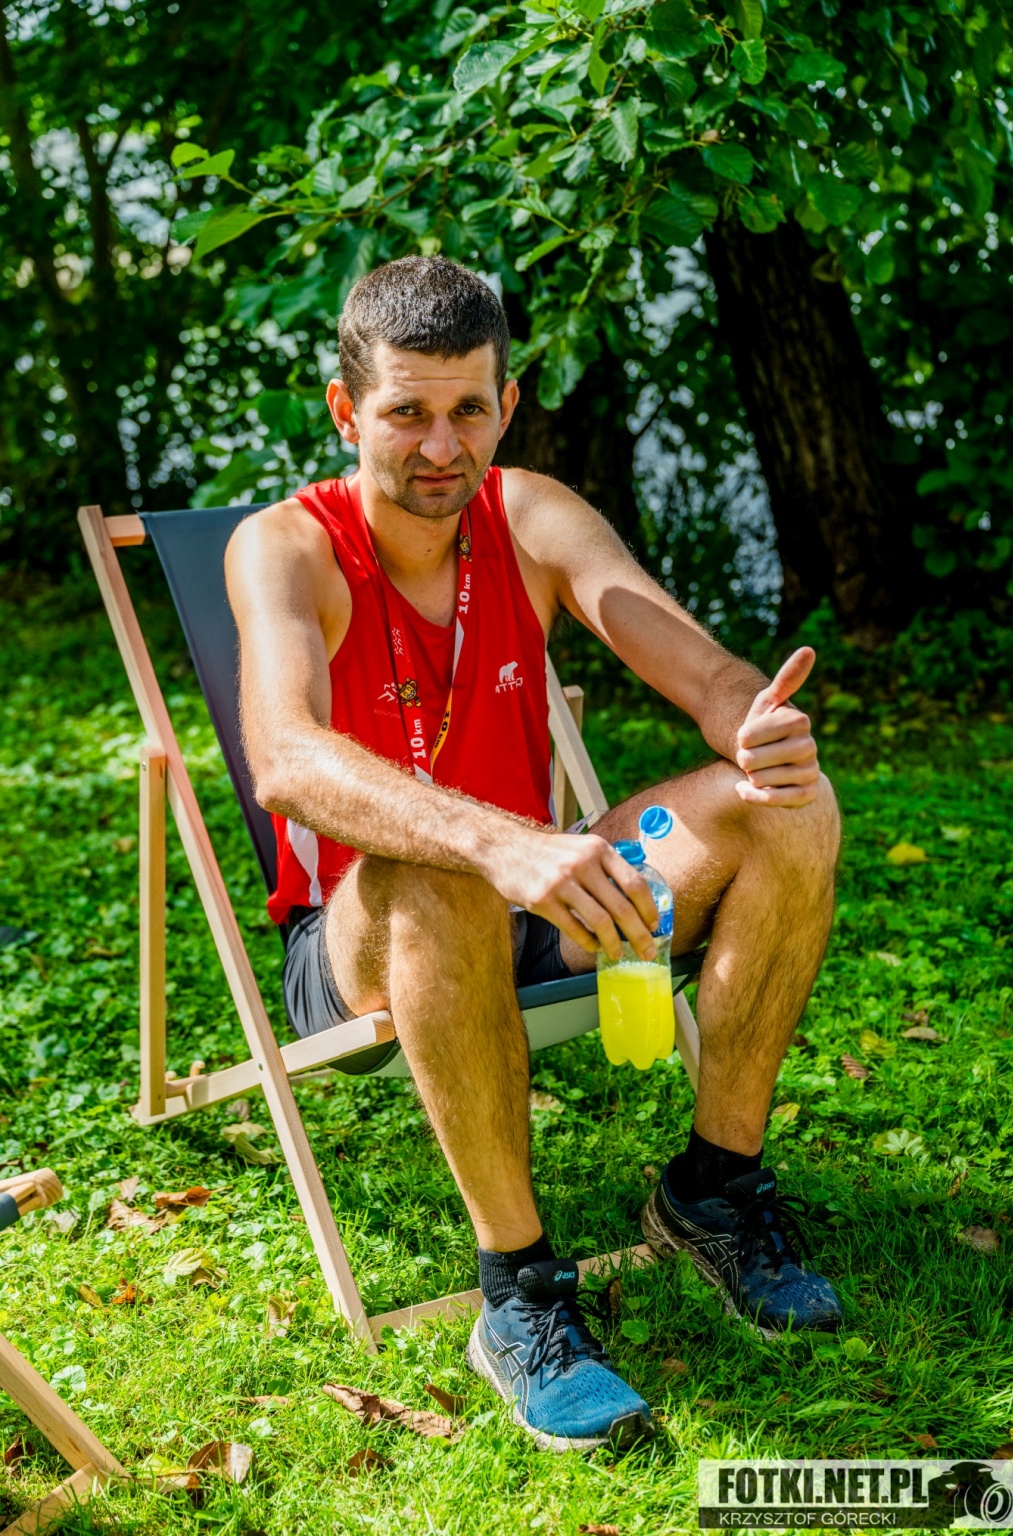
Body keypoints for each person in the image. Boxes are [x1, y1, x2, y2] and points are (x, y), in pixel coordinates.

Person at [225, 256, 842, 1454]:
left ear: (506, 405)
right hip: (363, 934)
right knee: (439, 866)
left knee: (791, 807)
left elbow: (704, 673)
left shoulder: (531, 515)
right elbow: (287, 761)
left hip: (542, 893)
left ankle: (714, 1192)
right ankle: (519, 1295)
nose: (439, 445)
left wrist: (753, 726)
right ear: (347, 411)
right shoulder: (285, 547)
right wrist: (496, 841)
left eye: (469, 409)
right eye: (405, 412)